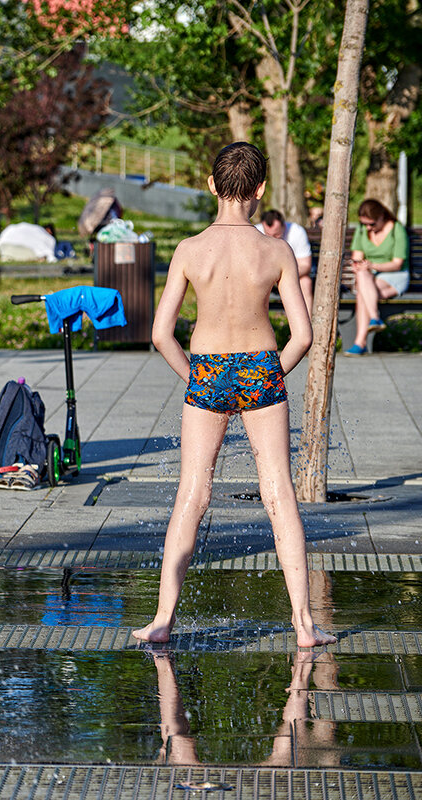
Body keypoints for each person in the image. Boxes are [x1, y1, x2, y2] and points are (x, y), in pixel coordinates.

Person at [131, 141, 335, 649]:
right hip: (261, 368)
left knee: (192, 494)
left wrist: (197, 380)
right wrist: (267, 380)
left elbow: (161, 334)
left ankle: (161, 619)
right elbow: (304, 336)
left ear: (210, 185)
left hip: (207, 370)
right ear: (260, 191)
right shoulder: (276, 251)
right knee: (279, 493)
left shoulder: (189, 250)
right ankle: (304, 625)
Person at [344, 198, 410, 356]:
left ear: (382, 217)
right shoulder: (362, 230)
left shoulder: (396, 229)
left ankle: (360, 342)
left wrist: (372, 265)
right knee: (362, 278)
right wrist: (358, 265)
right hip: (370, 276)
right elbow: (358, 256)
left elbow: (397, 264)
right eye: (365, 224)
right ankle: (375, 318)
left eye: (372, 224)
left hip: (394, 275)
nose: (368, 228)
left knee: (363, 293)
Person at [256, 209, 314, 314]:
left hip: (291, 277)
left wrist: (283, 275)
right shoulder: (255, 232)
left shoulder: (296, 232)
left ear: (284, 226)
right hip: (263, 278)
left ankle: (307, 326)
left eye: (276, 235)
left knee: (305, 282)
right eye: (268, 235)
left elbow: (305, 265)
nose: (272, 239)